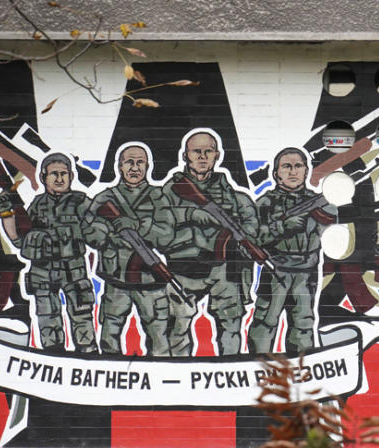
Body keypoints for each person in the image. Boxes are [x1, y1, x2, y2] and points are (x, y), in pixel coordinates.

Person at [161, 130, 259, 355]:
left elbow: (251, 229)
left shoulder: (235, 197)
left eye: (208, 151)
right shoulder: (169, 192)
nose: (202, 156)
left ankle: (229, 368)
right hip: (183, 268)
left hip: (222, 270)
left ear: (217, 155)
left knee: (231, 323)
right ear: (185, 155)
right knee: (177, 325)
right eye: (196, 151)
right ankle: (178, 371)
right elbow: (159, 229)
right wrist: (192, 219)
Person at [0, 153, 95, 352]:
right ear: (43, 178)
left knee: (81, 316)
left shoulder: (81, 203)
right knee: (48, 319)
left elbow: (98, 233)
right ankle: (53, 355)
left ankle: (88, 355)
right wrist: (6, 212)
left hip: (73, 270)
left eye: (64, 174)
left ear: (71, 177)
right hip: (42, 272)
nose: (59, 179)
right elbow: (19, 240)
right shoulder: (37, 205)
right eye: (54, 174)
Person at [87, 143, 177, 356]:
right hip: (116, 280)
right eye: (129, 162)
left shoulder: (158, 197)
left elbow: (167, 233)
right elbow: (90, 232)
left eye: (140, 163)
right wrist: (113, 232)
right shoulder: (105, 198)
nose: (134, 168)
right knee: (110, 336)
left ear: (148, 166)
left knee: (159, 339)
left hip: (150, 282)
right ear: (119, 166)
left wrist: (136, 227)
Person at [249, 147, 336, 355]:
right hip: (276, 271)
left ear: (306, 171)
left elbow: (334, 231)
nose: (293, 172)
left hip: (307, 273)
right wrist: (281, 226)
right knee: (265, 323)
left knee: (303, 324)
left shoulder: (321, 203)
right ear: (276, 173)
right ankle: (257, 366)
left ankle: (301, 369)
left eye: (298, 166)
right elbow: (251, 239)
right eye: (286, 167)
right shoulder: (265, 203)